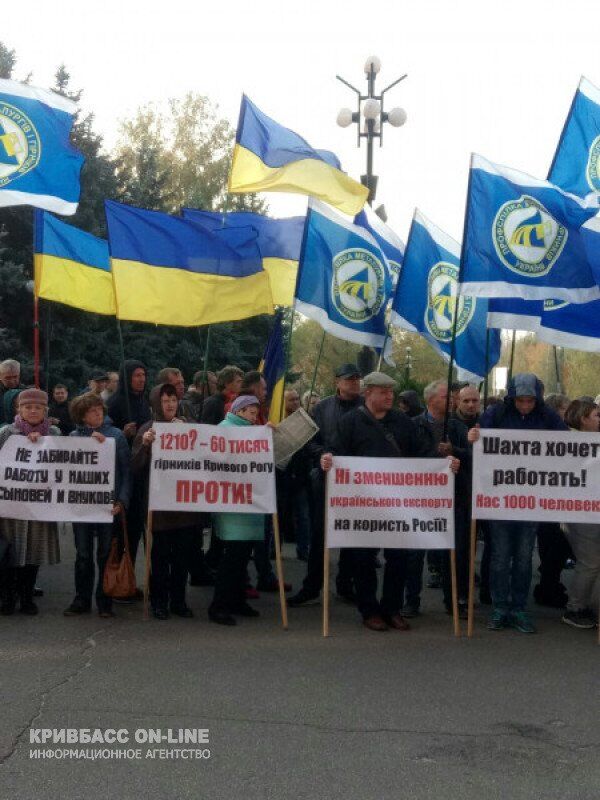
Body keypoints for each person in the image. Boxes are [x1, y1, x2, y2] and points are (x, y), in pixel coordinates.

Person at [321, 372, 459, 632]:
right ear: (368, 393)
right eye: (383, 391)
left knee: (399, 557)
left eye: (391, 392)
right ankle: (369, 610)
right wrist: (328, 461)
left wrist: (443, 464)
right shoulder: (350, 421)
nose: (389, 396)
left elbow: (422, 452)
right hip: (363, 503)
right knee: (363, 558)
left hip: (399, 504)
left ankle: (392, 608)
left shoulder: (402, 422)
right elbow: (336, 452)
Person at [468, 372, 568, 634]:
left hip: (531, 499)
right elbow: (479, 443)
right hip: (499, 497)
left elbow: (568, 442)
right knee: (500, 557)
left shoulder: (547, 416)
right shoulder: (496, 413)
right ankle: (500, 607)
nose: (525, 406)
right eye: (520, 401)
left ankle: (519, 608)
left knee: (524, 558)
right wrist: (474, 438)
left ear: (537, 399)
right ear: (512, 398)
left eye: (530, 401)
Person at [288, 363, 363, 607]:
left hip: (358, 482)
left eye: (357, 379)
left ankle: (346, 583)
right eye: (349, 379)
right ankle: (312, 586)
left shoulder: (366, 408)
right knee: (320, 534)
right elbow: (309, 440)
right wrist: (321, 454)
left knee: (352, 533)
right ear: (337, 382)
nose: (354, 383)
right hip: (325, 480)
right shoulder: (322, 408)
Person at [132, 384, 200, 619]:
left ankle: (179, 601)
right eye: (165, 400)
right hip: (159, 507)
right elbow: (136, 466)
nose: (170, 404)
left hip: (183, 505)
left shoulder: (188, 427)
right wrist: (146, 445)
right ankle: (159, 601)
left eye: (173, 399)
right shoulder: (148, 429)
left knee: (182, 557)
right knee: (160, 557)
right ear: (156, 404)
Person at [64, 393, 131, 618]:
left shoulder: (116, 435)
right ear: (82, 416)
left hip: (107, 505)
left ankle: (105, 600)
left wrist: (121, 500)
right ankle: (81, 599)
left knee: (104, 554)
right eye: (92, 411)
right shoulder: (73, 437)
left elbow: (126, 472)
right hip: (82, 507)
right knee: (83, 555)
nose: (98, 413)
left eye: (100, 409)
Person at [412, 380, 470, 619]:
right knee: (414, 552)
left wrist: (455, 452)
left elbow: (472, 456)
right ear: (430, 399)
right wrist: (436, 454)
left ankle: (455, 600)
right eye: (447, 396)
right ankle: (410, 601)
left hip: (453, 497)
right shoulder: (414, 425)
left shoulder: (456, 427)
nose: (452, 401)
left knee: (454, 552)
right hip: (420, 498)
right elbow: (407, 455)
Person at [208, 395, 267, 626]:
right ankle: (219, 606)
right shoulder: (225, 429)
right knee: (232, 558)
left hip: (248, 504)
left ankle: (237, 600)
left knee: (242, 558)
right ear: (240, 411)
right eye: (252, 413)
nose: (255, 417)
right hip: (233, 506)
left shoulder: (252, 431)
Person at [0, 389, 60, 615]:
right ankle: (7, 597)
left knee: (33, 553)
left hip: (39, 506)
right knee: (9, 553)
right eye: (28, 407)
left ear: (45, 410)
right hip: (11, 507)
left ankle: (26, 597)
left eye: (38, 407)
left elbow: (69, 461)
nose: (33, 411)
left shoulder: (54, 432)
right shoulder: (7, 432)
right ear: (19, 409)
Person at [107, 360, 152, 571]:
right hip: (122, 473)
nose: (141, 379)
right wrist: (122, 434)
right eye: (136, 375)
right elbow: (107, 433)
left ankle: (128, 576)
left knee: (135, 530)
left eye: (143, 375)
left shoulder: (143, 401)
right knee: (121, 531)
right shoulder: (116, 402)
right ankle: (117, 577)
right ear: (127, 377)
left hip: (141, 472)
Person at [560, 399, 600, 629]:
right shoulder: (568, 443)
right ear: (583, 419)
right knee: (590, 561)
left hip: (592, 509)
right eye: (597, 415)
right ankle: (575, 608)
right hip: (581, 512)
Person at [533, 392, 574, 609]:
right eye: (565, 409)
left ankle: (549, 584)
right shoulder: (552, 433)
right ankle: (548, 587)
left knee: (553, 544)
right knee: (555, 543)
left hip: (556, 498)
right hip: (548, 498)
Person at [277, 389, 312, 561]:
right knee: (280, 516)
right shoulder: (277, 420)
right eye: (291, 400)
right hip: (281, 477)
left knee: (303, 516)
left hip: (300, 477)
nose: (296, 402)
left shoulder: (305, 421)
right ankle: (274, 549)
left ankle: (304, 550)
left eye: (297, 399)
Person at [0, 359, 22, 425]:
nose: (12, 381)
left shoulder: (26, 392)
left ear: (19, 375)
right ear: (0, 376)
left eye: (15, 377)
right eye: (8, 378)